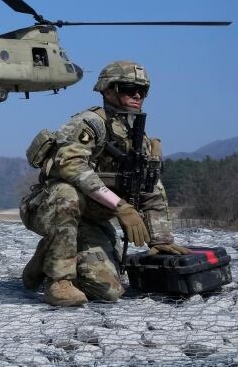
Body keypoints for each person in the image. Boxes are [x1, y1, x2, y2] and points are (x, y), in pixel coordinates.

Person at [19, 60, 189, 306]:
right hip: (51, 209)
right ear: (108, 90)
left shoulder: (139, 139)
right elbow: (71, 164)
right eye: (129, 88)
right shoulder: (90, 123)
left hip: (91, 221)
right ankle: (59, 281)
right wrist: (120, 205)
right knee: (68, 193)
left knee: (107, 291)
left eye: (143, 90)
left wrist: (160, 240)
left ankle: (46, 258)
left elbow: (152, 189)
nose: (138, 94)